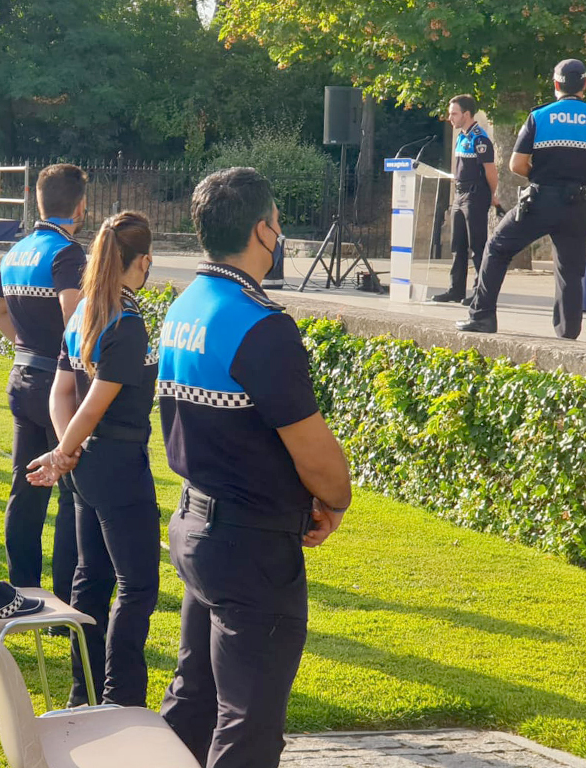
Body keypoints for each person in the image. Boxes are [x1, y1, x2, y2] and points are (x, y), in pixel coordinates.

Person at [156, 167, 352, 768]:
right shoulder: (261, 324)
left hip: (197, 523)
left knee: (194, 703)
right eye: (278, 224)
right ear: (265, 230)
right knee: (249, 727)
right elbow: (315, 452)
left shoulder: (184, 305)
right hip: (250, 546)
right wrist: (334, 502)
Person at [26, 211, 160, 708]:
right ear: (142, 262)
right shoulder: (126, 321)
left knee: (93, 579)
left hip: (87, 466)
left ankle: (83, 696)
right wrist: (66, 452)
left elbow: (61, 395)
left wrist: (68, 454)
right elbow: (92, 401)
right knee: (138, 586)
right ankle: (120, 700)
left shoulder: (84, 312)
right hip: (118, 464)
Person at [458, 59, 586, 338]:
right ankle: (568, 332)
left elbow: (517, 165)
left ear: (556, 85)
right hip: (581, 205)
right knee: (570, 270)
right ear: (585, 85)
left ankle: (482, 316)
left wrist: (543, 177)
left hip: (542, 200)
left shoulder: (540, 117)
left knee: (497, 247)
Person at [0, 163, 85, 606]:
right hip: (56, 386)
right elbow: (74, 318)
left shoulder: (18, 250)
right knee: (70, 493)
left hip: (21, 376)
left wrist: (22, 344)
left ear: (38, 202)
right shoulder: (67, 253)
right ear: (80, 207)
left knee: (25, 487)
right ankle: (64, 596)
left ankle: (22, 585)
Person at [432, 94, 499, 305]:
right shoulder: (462, 136)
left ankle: (480, 292)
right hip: (459, 194)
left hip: (475, 194)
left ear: (467, 114)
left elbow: (491, 171)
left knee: (477, 246)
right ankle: (455, 289)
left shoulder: (480, 138)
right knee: (457, 245)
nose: (450, 117)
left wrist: (491, 195)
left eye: (454, 113)